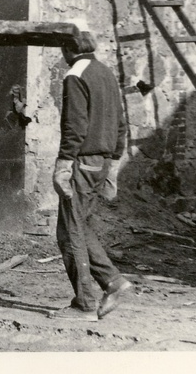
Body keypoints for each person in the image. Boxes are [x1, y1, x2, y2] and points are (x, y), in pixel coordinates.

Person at [51, 31, 133, 321]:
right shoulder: (105, 72)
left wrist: (63, 165)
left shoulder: (75, 75)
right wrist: (112, 163)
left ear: (67, 48)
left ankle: (85, 304)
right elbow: (122, 123)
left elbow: (75, 126)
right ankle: (112, 281)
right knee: (80, 225)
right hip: (100, 162)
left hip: (82, 162)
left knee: (69, 231)